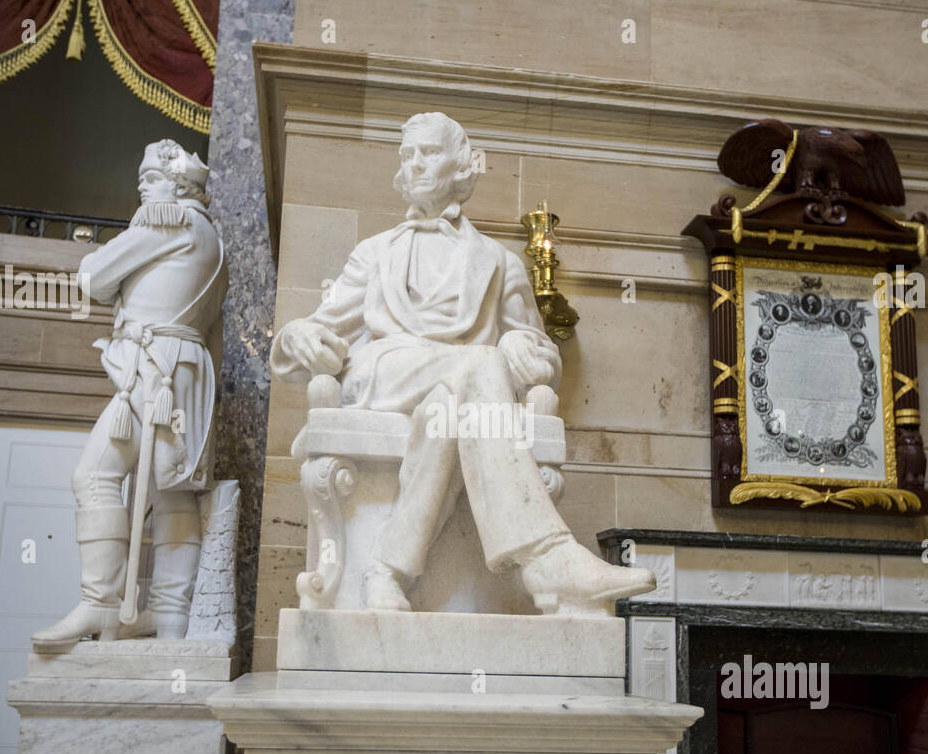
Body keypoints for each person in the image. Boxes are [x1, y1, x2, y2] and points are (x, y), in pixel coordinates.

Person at [270, 112, 653, 615]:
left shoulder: (499, 262)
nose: (415, 164)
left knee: (444, 416)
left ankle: (386, 568)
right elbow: (322, 325)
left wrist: (524, 351)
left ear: (460, 165)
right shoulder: (373, 252)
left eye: (427, 152)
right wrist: (297, 335)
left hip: (460, 392)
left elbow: (538, 353)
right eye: (407, 155)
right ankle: (545, 554)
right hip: (383, 373)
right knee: (480, 365)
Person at [32, 139, 226, 651]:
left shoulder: (166, 220)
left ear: (179, 184)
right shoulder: (211, 238)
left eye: (151, 176)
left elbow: (93, 277)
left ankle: (100, 601)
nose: (141, 184)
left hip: (154, 369)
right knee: (173, 494)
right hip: (186, 372)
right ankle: (169, 623)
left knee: (94, 475)